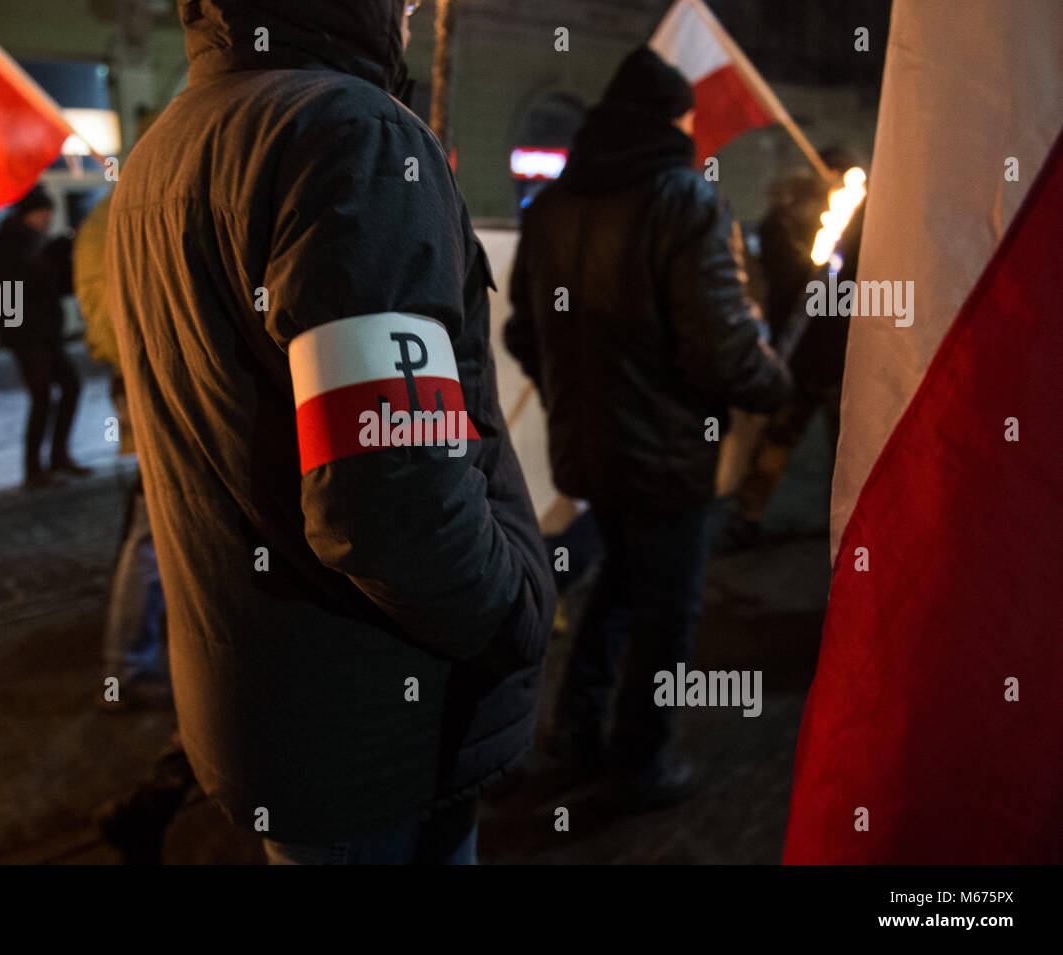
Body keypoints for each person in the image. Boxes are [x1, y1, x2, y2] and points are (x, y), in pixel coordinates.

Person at [105, 0, 554, 865]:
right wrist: (518, 614)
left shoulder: (170, 141)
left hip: (272, 709)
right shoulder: (350, 134)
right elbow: (389, 501)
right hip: (376, 715)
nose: (415, 12)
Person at [504, 47, 792, 807]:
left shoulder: (556, 205)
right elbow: (720, 348)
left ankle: (575, 731)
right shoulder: (684, 202)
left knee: (618, 587)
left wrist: (576, 394)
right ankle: (638, 761)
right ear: (671, 121)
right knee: (666, 612)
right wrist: (775, 381)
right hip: (667, 455)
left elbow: (521, 335)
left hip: (592, 448)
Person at [725, 147, 866, 549]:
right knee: (776, 443)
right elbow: (782, 272)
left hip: (843, 358)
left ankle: (847, 525)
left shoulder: (859, 223)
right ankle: (745, 517)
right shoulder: (789, 220)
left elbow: (860, 279)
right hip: (800, 355)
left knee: (848, 454)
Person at [74, 192, 169, 706]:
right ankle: (128, 666)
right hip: (154, 375)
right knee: (152, 526)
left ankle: (140, 650)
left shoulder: (98, 218)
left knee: (149, 513)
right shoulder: (142, 207)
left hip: (126, 371)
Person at [0, 185, 89, 489]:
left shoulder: (36, 244)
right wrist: (50, 259)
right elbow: (19, 290)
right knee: (42, 397)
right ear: (28, 214)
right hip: (25, 336)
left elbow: (55, 287)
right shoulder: (11, 245)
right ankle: (33, 469)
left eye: (49, 213)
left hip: (46, 333)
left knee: (70, 386)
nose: (46, 218)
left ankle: (58, 456)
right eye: (41, 213)